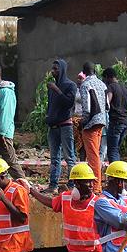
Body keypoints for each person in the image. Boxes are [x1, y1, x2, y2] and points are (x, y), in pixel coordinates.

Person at [0, 63, 25, 180]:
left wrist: (1, 133)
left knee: (11, 162)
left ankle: (24, 186)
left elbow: (6, 114)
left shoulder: (5, 92)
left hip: (2, 134)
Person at [45, 59, 77, 194]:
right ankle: (53, 185)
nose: (53, 71)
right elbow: (51, 105)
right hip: (53, 127)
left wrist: (57, 90)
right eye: (52, 69)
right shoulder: (52, 86)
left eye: (56, 69)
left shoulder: (70, 85)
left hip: (65, 126)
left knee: (69, 157)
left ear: (62, 69)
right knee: (54, 158)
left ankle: (72, 184)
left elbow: (69, 103)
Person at [79, 62, 107, 194]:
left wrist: (82, 122)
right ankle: (95, 184)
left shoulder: (85, 84)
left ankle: (96, 187)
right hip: (102, 122)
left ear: (83, 72)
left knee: (93, 156)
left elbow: (87, 108)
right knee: (96, 154)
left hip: (91, 123)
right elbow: (107, 105)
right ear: (95, 71)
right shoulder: (102, 84)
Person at [103, 67, 127, 163]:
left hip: (115, 122)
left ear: (107, 77)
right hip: (125, 123)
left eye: (104, 79)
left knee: (112, 150)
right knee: (116, 148)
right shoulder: (125, 88)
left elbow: (107, 102)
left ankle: (115, 176)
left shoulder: (111, 87)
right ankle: (118, 174)